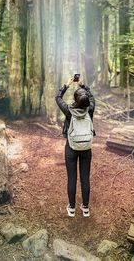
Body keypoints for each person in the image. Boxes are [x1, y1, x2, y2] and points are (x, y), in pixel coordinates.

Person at [55, 77, 95, 217]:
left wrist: (67, 84)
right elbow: (91, 97)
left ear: (75, 99)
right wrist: (84, 85)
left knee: (72, 178)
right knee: (85, 178)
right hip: (86, 148)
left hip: (71, 148)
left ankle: (71, 208)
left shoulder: (68, 110)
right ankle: (85, 208)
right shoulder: (90, 108)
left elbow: (58, 97)